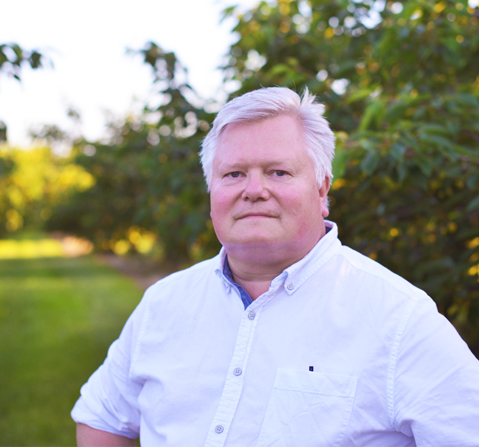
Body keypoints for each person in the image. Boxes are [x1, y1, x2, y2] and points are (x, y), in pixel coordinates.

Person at [72, 87, 479, 447]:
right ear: (212, 190)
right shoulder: (164, 302)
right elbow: (102, 418)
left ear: (322, 190)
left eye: (277, 172)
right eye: (233, 174)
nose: (253, 190)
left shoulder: (399, 318)